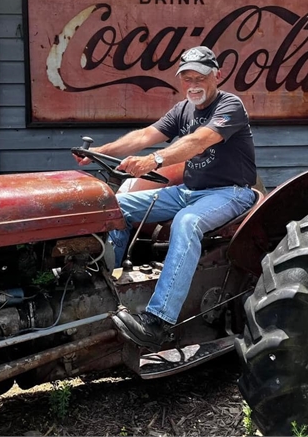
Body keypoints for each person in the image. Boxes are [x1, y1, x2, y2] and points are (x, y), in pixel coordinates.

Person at [75, 46, 257, 351]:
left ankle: (158, 321)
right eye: (186, 78)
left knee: (187, 223)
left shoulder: (230, 106)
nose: (192, 84)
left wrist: (155, 161)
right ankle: (105, 290)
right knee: (114, 206)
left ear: (217, 76)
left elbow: (199, 141)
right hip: (189, 191)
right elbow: (146, 135)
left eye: (200, 76)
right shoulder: (184, 109)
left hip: (231, 193)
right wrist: (101, 152)